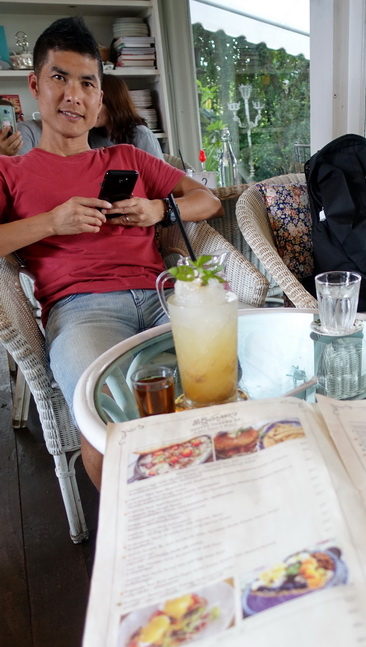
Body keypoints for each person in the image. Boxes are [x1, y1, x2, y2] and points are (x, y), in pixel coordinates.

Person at [0, 16, 222, 489]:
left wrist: (158, 209)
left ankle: (210, 502)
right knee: (109, 423)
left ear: (100, 98)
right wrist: (52, 222)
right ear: (35, 85)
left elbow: (208, 201)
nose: (73, 96)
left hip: (161, 296)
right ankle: (142, 528)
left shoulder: (128, 158)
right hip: (82, 310)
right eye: (60, 78)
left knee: (220, 382)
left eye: (87, 83)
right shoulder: (11, 172)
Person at [17, 73, 164, 159]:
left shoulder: (140, 135)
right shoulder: (90, 134)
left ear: (113, 104)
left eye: (99, 104)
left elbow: (159, 183)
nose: (90, 110)